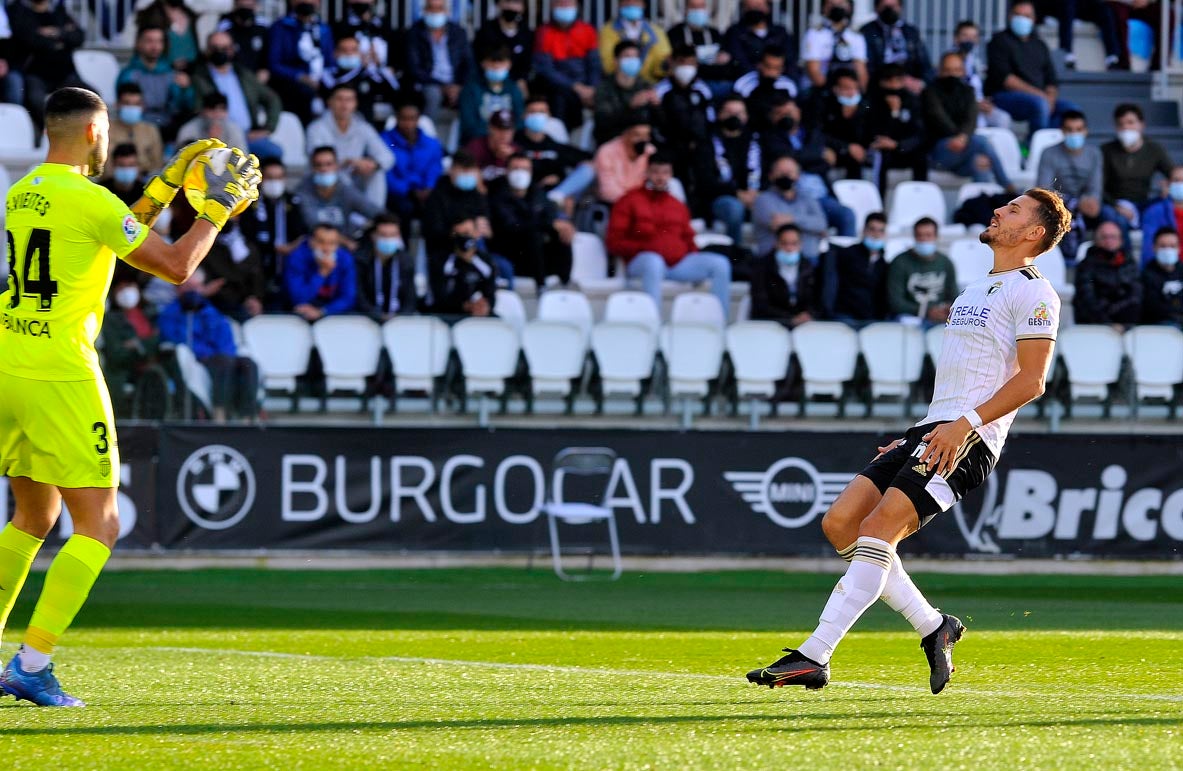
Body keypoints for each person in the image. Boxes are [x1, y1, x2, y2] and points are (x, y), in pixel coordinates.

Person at [746, 189, 1069, 694]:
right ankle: (934, 626)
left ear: (1033, 233)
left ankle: (815, 654)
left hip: (969, 438)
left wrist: (963, 426)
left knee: (877, 531)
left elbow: (1032, 382)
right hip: (933, 429)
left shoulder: (1035, 292)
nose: (998, 211)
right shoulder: (977, 287)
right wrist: (915, 434)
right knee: (840, 524)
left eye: (1012, 210)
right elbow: (964, 378)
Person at [0, 87, 258, 706]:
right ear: (95, 132)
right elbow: (173, 265)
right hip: (60, 373)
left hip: (11, 359)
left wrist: (164, 189)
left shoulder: (25, 190)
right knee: (101, 523)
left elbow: (108, 232)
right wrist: (214, 213)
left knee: (33, 517)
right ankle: (32, 663)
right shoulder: (88, 199)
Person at [606, 154, 732, 320]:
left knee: (719, 264)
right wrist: (643, 247)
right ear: (647, 173)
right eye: (656, 172)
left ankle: (719, 324)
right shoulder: (629, 200)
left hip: (676, 264)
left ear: (671, 175)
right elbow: (613, 241)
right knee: (654, 262)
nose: (660, 177)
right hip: (641, 262)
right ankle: (653, 324)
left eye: (665, 173)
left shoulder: (677, 205)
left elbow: (688, 237)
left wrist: (692, 255)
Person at [158, 267, 259, 420]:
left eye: (196, 287)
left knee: (248, 364)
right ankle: (219, 413)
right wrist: (206, 354)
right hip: (196, 359)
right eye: (188, 287)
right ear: (178, 288)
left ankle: (247, 416)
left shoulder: (211, 312)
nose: (193, 291)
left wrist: (224, 354)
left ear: (203, 288)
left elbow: (226, 339)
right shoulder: (170, 314)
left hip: (221, 358)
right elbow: (177, 339)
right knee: (225, 362)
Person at [1037, 110, 1126, 255]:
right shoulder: (1049, 153)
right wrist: (1072, 203)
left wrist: (1092, 201)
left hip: (1087, 205)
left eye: (1078, 129)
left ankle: (1122, 261)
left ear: (1085, 131)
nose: (1074, 134)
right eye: (1069, 130)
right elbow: (1044, 189)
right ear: (1062, 131)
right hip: (1058, 205)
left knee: (1114, 217)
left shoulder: (1094, 154)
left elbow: (1095, 187)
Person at [985, 0, 1078, 133]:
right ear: (1010, 16)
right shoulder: (998, 41)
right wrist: (1041, 96)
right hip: (1004, 96)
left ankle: (1049, 145)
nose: (1022, 19)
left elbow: (1051, 78)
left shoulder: (1040, 45)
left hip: (1040, 98)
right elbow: (1005, 79)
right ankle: (1033, 149)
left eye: (1027, 16)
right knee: (1039, 104)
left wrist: (1050, 97)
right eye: (1018, 15)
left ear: (1034, 19)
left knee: (1071, 110)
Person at [192, 30, 284, 161]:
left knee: (274, 152)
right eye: (215, 48)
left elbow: (272, 99)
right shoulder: (197, 76)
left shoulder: (243, 74)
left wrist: (267, 128)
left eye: (225, 48)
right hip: (218, 136)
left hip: (248, 136)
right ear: (207, 50)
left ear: (232, 50)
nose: (220, 52)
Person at [925, 51, 1011, 187]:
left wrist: (962, 138)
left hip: (963, 151)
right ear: (940, 71)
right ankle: (1008, 187)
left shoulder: (968, 91)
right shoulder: (930, 91)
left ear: (963, 71)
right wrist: (959, 137)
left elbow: (971, 118)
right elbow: (938, 118)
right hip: (938, 152)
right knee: (982, 142)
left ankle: (983, 204)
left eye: (956, 70)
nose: (952, 75)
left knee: (980, 162)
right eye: (947, 70)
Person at [489, 153, 575, 287]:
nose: (520, 173)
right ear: (507, 171)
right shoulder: (497, 195)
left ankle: (565, 283)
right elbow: (512, 226)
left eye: (525, 169)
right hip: (510, 253)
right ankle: (541, 286)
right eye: (516, 168)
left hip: (537, 256)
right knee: (534, 235)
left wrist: (560, 225)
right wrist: (549, 224)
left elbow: (551, 215)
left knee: (562, 232)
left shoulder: (536, 192)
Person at [306, 83, 395, 209]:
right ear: (330, 102)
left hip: (354, 177)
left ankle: (374, 217)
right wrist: (348, 162)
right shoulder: (316, 128)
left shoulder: (362, 127)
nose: (344, 105)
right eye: (340, 99)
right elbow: (320, 161)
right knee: (338, 175)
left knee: (377, 173)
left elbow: (387, 156)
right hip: (326, 179)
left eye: (349, 100)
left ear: (355, 103)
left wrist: (373, 164)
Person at [7, 0, 88, 137]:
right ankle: (52, 134)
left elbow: (78, 36)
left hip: (64, 73)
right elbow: (30, 39)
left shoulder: (59, 12)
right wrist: (62, 35)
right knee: (35, 99)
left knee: (92, 97)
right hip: (36, 74)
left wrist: (53, 33)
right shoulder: (19, 11)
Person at [654, 45, 717, 219]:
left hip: (699, 146)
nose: (687, 68)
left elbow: (710, 120)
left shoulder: (702, 89)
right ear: (672, 63)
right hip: (672, 147)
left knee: (704, 178)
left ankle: (705, 217)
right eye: (682, 62)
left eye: (691, 63)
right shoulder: (661, 90)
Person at [239, 157, 306, 306]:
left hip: (288, 263)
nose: (274, 182)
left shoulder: (293, 201)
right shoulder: (250, 203)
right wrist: (272, 247)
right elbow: (247, 235)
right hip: (260, 264)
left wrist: (292, 246)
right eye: (270, 178)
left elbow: (302, 232)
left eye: (278, 178)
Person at [515, 95, 595, 210]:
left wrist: (561, 182)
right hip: (525, 195)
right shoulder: (515, 142)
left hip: (553, 196)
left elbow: (586, 158)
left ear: (549, 116)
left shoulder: (553, 144)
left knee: (589, 169)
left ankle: (557, 196)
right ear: (524, 115)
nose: (537, 116)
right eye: (533, 112)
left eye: (542, 112)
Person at [297, 146, 384, 250]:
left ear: (336, 166)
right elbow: (313, 225)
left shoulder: (345, 190)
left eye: (328, 164)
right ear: (312, 168)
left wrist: (369, 234)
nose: (324, 169)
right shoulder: (303, 192)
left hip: (344, 249)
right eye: (318, 165)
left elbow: (378, 214)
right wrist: (346, 242)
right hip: (314, 246)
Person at [1102, 103, 1174, 228]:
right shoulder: (1106, 151)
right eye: (1121, 124)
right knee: (1114, 217)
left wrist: (1169, 186)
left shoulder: (1154, 150)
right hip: (1115, 204)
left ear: (1141, 125)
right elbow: (1097, 186)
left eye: (1130, 122)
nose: (1126, 127)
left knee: (1164, 206)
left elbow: (1173, 173)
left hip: (1144, 203)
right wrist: (1115, 205)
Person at [533, 0, 600, 129]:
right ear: (553, 6)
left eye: (568, 4)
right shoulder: (544, 32)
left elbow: (594, 64)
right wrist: (575, 87)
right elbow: (546, 70)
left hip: (586, 86)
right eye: (560, 4)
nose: (565, 7)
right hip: (559, 86)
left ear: (576, 7)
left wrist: (592, 88)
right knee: (560, 97)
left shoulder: (587, 30)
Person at [116, 25, 194, 134]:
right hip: (138, 128)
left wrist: (186, 90)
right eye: (149, 41)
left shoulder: (171, 73)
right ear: (138, 43)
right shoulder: (129, 74)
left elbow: (182, 106)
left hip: (168, 128)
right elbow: (124, 106)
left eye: (159, 41)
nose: (155, 46)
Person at [406, 0, 475, 125]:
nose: (435, 13)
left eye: (439, 8)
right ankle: (428, 136)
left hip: (454, 83)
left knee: (471, 93)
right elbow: (414, 68)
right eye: (431, 8)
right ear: (424, 10)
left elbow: (468, 63)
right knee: (433, 95)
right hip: (429, 83)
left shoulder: (458, 32)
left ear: (447, 11)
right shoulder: (414, 32)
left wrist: (458, 85)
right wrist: (442, 86)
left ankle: (469, 140)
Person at [100, 278, 160, 418]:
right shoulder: (110, 320)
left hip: (152, 368)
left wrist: (137, 344)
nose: (126, 292)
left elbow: (156, 341)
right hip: (124, 372)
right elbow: (116, 353)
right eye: (120, 289)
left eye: (129, 285)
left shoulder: (150, 314)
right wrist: (141, 346)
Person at [268, 0, 334, 123]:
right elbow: (274, 64)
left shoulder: (323, 28)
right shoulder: (281, 27)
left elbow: (330, 62)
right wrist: (300, 76)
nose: (307, 1)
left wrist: (323, 79)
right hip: (291, 90)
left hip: (321, 87)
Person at [752, 155, 828, 261]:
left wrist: (791, 219)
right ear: (771, 175)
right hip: (773, 261)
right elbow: (776, 224)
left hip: (808, 259)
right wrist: (810, 226)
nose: (785, 176)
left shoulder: (808, 198)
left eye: (789, 172)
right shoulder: (763, 200)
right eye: (781, 172)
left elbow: (821, 224)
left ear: (798, 175)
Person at [381, 97, 445, 223]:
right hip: (398, 193)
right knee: (404, 208)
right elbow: (386, 172)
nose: (408, 124)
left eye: (412, 119)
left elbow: (435, 168)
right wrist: (409, 190)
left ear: (418, 119)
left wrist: (428, 187)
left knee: (437, 207)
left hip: (424, 192)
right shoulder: (385, 141)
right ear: (397, 118)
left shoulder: (431, 143)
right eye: (404, 119)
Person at [887, 217, 959, 326]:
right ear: (914, 237)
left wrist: (947, 310)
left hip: (940, 318)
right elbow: (895, 302)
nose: (923, 239)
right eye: (919, 235)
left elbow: (954, 296)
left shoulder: (946, 263)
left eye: (928, 235)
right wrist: (926, 312)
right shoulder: (899, 262)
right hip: (909, 318)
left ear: (936, 237)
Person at [710, 96, 762, 247]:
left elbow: (767, 173)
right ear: (719, 115)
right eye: (729, 112)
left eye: (739, 113)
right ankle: (736, 255)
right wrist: (738, 194)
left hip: (754, 195)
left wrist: (756, 193)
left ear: (746, 116)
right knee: (734, 208)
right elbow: (706, 181)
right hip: (721, 198)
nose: (734, 117)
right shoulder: (708, 142)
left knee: (770, 203)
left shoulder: (756, 140)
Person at [822, 212, 890, 326]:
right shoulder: (846, 254)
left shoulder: (883, 264)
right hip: (845, 315)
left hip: (870, 318)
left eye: (880, 231)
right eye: (872, 229)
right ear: (864, 231)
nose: (876, 234)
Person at [868, 63, 927, 193]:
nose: (894, 86)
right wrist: (893, 114)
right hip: (882, 150)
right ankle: (879, 205)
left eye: (897, 81)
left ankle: (920, 200)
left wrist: (897, 145)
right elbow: (875, 132)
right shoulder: (873, 101)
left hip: (903, 148)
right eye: (889, 82)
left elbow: (918, 133)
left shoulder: (911, 101)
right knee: (880, 158)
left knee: (921, 157)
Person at [321, 34, 402, 128]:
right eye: (344, 50)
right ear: (335, 53)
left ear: (360, 53)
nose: (349, 54)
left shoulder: (367, 74)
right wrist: (361, 67)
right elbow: (337, 85)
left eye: (353, 50)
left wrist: (379, 66)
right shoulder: (328, 75)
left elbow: (394, 89)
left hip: (365, 128)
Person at [1073, 221, 1142, 329]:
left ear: (1121, 240)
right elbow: (1087, 300)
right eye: (1104, 237)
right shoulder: (1086, 266)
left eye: (1113, 237)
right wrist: (1108, 324)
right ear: (1096, 240)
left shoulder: (1130, 264)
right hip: (1097, 325)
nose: (1109, 241)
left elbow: (1136, 295)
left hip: (1128, 325)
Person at [750, 223, 819, 328]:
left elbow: (816, 300)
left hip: (804, 325)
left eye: (794, 243)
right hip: (771, 325)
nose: (789, 248)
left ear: (800, 245)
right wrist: (789, 319)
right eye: (784, 243)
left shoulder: (808, 268)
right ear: (776, 243)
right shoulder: (762, 267)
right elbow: (760, 304)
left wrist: (808, 314)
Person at [285, 223, 358, 320]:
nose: (326, 248)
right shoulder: (297, 258)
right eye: (321, 242)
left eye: (332, 243)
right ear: (311, 241)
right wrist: (321, 273)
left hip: (333, 315)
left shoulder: (345, 258)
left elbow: (348, 298)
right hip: (299, 315)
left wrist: (323, 311)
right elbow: (298, 299)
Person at [593, 40, 658, 145]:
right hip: (613, 142)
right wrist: (630, 107)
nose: (632, 60)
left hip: (643, 142)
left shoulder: (645, 86)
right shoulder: (604, 88)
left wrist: (657, 106)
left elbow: (659, 122)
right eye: (627, 56)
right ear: (616, 60)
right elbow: (603, 123)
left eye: (635, 57)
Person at [951, 20, 1012, 130]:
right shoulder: (950, 61)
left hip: (979, 106)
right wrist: (973, 104)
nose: (969, 40)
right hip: (959, 108)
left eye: (973, 37)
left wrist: (985, 102)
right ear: (956, 39)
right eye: (965, 36)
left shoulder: (975, 61)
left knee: (1003, 118)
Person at [860, 0, 933, 92]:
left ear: (900, 7)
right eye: (885, 6)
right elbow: (867, 66)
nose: (890, 10)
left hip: (910, 85)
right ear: (876, 8)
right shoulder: (867, 31)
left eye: (893, 6)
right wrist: (892, 80)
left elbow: (925, 63)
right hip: (880, 85)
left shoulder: (910, 32)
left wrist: (921, 83)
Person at [458, 45, 525, 145]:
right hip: (478, 142)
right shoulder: (471, 89)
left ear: (509, 64)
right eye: (492, 62)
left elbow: (520, 120)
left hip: (508, 142)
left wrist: (505, 137)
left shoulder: (513, 88)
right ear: (483, 63)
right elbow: (468, 124)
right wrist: (495, 137)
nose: (496, 66)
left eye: (501, 62)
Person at [354, 213, 416, 320]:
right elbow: (359, 296)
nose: (388, 239)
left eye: (393, 235)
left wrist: (400, 319)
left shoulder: (406, 261)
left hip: (398, 322)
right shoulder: (360, 260)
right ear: (373, 236)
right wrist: (377, 316)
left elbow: (410, 299)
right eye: (383, 235)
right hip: (365, 321)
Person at [666, 0, 733, 97]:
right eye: (693, 7)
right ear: (685, 10)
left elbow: (725, 64)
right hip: (687, 83)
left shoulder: (715, 33)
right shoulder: (675, 34)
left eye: (701, 6)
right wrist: (711, 64)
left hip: (715, 81)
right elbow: (678, 64)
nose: (698, 11)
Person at [433, 217, 498, 316]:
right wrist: (465, 306)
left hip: (480, 316)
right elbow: (439, 298)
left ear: (476, 233)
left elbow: (490, 295)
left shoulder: (486, 262)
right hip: (450, 317)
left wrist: (484, 305)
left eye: (467, 233)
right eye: (458, 234)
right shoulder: (442, 262)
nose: (463, 238)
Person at [598, 0, 671, 85]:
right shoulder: (607, 31)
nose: (631, 4)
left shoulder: (656, 31)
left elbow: (662, 61)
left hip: (649, 85)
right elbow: (607, 64)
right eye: (627, 1)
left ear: (643, 5)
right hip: (617, 84)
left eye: (635, 2)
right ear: (619, 4)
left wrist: (664, 65)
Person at [722, 0, 798, 81]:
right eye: (750, 7)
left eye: (758, 6)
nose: (755, 10)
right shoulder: (735, 32)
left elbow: (790, 60)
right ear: (744, 8)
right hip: (748, 81)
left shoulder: (780, 32)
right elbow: (740, 60)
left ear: (767, 7)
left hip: (780, 79)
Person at [1035, 0, 1121, 71]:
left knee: (1105, 10)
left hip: (1079, 6)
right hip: (1057, 5)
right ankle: (1067, 54)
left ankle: (1112, 58)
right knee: (1068, 4)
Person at [820, 68, 873, 180]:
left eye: (854, 88)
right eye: (846, 88)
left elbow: (868, 135)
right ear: (835, 89)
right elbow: (818, 133)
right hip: (834, 150)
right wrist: (846, 147)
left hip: (859, 154)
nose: (851, 93)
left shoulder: (865, 107)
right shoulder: (824, 106)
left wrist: (854, 115)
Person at [802, 0, 868, 91]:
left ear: (849, 7)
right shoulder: (814, 34)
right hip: (822, 90)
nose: (836, 7)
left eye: (841, 4)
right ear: (824, 7)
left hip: (849, 90)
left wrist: (860, 93)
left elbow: (861, 70)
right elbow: (813, 71)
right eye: (831, 4)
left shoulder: (856, 36)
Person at [474, 0, 535, 96]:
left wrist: (521, 79)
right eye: (507, 1)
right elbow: (478, 59)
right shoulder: (486, 30)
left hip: (516, 81)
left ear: (523, 7)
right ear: (498, 4)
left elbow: (527, 62)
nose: (510, 6)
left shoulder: (526, 33)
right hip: (488, 79)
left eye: (516, 2)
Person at [732, 47, 798, 134]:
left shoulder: (788, 86)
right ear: (759, 65)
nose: (771, 72)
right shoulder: (743, 84)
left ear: (782, 69)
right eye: (768, 66)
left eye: (776, 68)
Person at [593, 115, 654, 205]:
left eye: (646, 135)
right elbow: (608, 191)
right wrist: (633, 203)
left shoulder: (650, 152)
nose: (643, 140)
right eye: (637, 135)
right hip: (615, 204)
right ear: (625, 135)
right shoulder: (607, 151)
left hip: (642, 203)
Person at [107, 84, 165, 178]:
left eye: (136, 104)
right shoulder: (107, 129)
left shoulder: (150, 130)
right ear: (117, 105)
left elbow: (157, 165)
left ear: (142, 106)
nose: (132, 108)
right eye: (127, 103)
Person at [177, 91, 249, 154]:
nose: (217, 114)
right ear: (203, 111)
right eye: (212, 109)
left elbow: (243, 157)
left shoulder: (234, 129)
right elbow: (183, 159)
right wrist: (211, 141)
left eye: (222, 110)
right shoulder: (189, 130)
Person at [216, 0, 270, 79]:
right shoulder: (225, 27)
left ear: (255, 6)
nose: (245, 9)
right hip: (236, 76)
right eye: (242, 5)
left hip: (259, 76)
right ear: (235, 6)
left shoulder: (264, 25)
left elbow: (270, 53)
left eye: (249, 5)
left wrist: (265, 69)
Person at [1141, 166, 1183, 266]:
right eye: (1176, 180)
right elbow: (1148, 248)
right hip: (1167, 271)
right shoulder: (1154, 212)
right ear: (1167, 184)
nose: (1181, 184)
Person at [464, 109, 521, 183]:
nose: (504, 135)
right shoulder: (475, 148)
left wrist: (512, 161)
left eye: (508, 130)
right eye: (499, 129)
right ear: (490, 128)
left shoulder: (517, 151)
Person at [1141, 227, 1183, 326]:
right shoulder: (1146, 276)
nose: (1168, 250)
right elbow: (1153, 308)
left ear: (1179, 248)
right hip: (1161, 327)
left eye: (1172, 246)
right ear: (1154, 248)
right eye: (1163, 246)